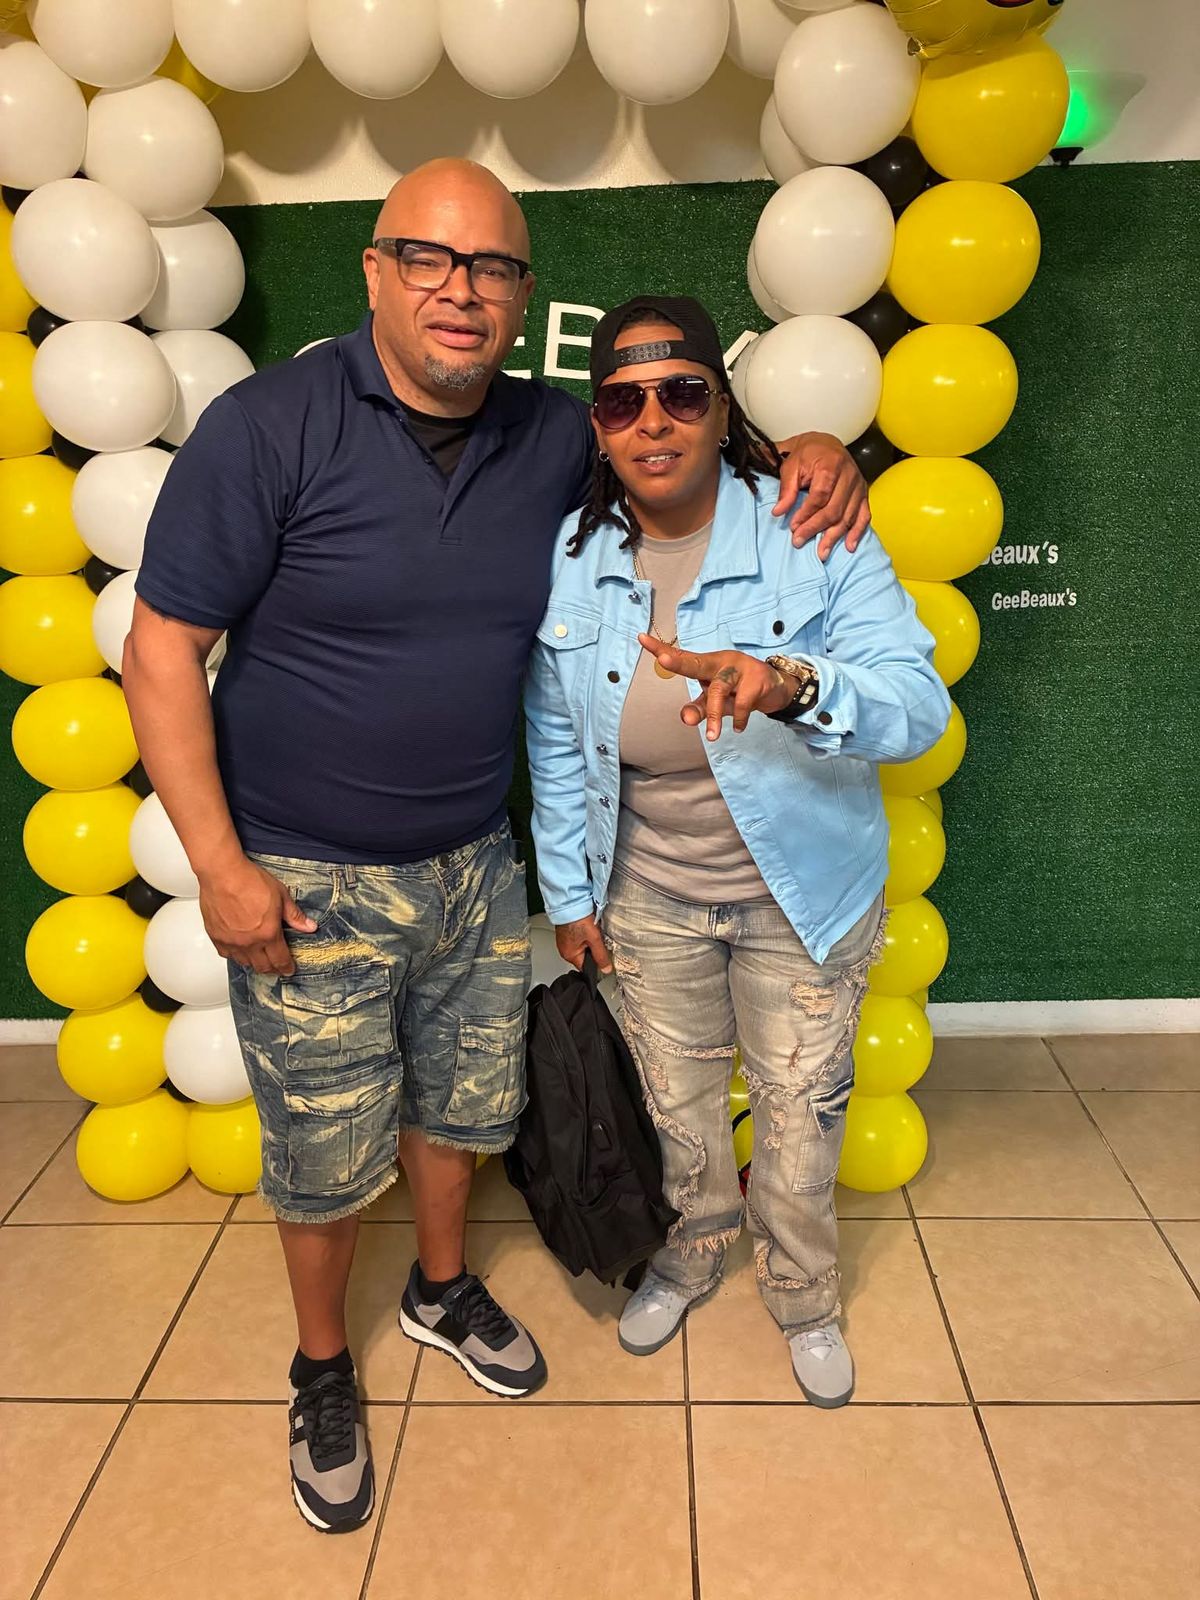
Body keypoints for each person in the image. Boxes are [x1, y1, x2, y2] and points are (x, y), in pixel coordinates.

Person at [122, 161, 869, 1531]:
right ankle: (322, 1365)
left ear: (525, 297)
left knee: (461, 1109)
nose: (461, 291)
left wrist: (813, 443)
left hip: (476, 858)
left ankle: (441, 1287)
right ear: (374, 270)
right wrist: (222, 870)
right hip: (304, 874)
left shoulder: (551, 433)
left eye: (493, 268)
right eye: (430, 257)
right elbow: (161, 650)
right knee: (320, 1151)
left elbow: (681, 437)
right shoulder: (267, 426)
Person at [525, 295, 950, 1406]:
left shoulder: (810, 527)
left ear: (724, 409)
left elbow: (918, 706)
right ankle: (695, 1247)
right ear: (598, 427)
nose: (653, 422)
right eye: (623, 402)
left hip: (801, 894)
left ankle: (803, 1292)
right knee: (678, 1105)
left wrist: (792, 685)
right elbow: (557, 742)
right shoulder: (572, 554)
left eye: (682, 394)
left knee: (800, 1115)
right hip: (645, 892)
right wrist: (570, 893)